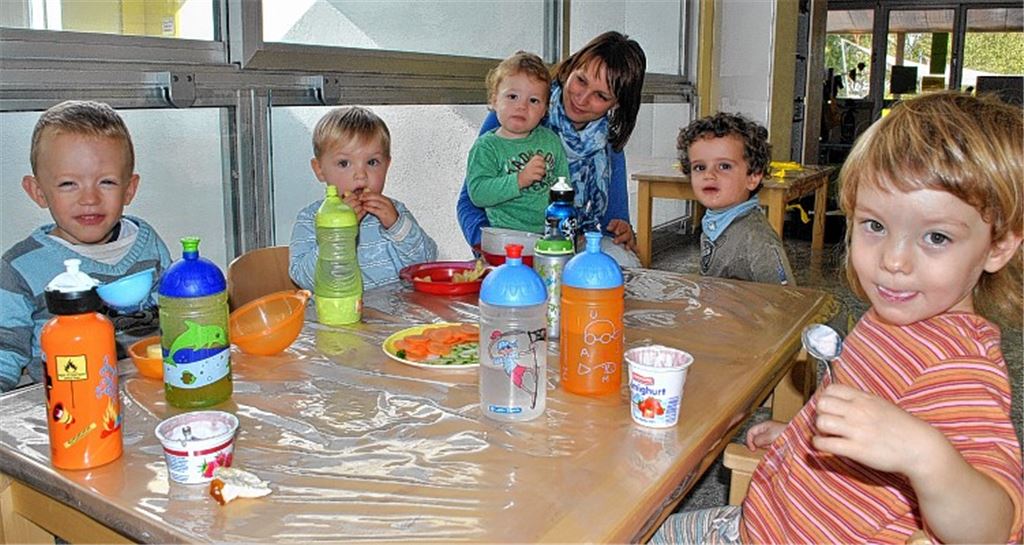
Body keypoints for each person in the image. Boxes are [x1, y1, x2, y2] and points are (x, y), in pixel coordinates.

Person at [652, 91, 1023, 544]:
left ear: (1000, 245)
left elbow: (992, 528)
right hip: (755, 523)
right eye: (875, 226)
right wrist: (803, 432)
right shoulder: (891, 318)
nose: (894, 260)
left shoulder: (961, 369)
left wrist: (927, 457)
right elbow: (859, 405)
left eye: (937, 237)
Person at [0, 100, 172, 392]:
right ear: (38, 192)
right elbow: (4, 352)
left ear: (129, 189)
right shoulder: (20, 268)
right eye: (68, 184)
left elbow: (174, 315)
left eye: (106, 182)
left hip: (151, 392)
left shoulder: (147, 243)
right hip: (69, 406)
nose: (89, 199)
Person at [457, 31, 646, 267]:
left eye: (600, 95)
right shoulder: (517, 111)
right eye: (581, 80)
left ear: (616, 103)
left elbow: (611, 224)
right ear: (571, 68)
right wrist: (495, 245)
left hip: (573, 243)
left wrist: (623, 231)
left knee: (622, 264)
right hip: (510, 248)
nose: (582, 98)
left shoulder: (608, 144)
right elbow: (469, 201)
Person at [289, 106, 437, 291]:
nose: (361, 175)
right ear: (319, 169)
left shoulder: (394, 212)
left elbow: (428, 264)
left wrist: (397, 226)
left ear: (387, 165)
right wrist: (339, 233)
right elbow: (305, 280)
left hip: (395, 317)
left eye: (372, 162)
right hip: (338, 316)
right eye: (344, 163)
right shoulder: (311, 219)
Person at [676, 112, 795, 285]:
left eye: (724, 166)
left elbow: (786, 296)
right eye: (700, 167)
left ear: (753, 177)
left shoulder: (757, 240)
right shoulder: (714, 222)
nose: (709, 175)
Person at [466, 51, 570, 234]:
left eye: (534, 100)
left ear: (544, 110)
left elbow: (564, 186)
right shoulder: (487, 146)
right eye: (512, 97)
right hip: (506, 237)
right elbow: (477, 193)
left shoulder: (551, 141)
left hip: (549, 235)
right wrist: (519, 180)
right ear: (494, 100)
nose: (522, 106)